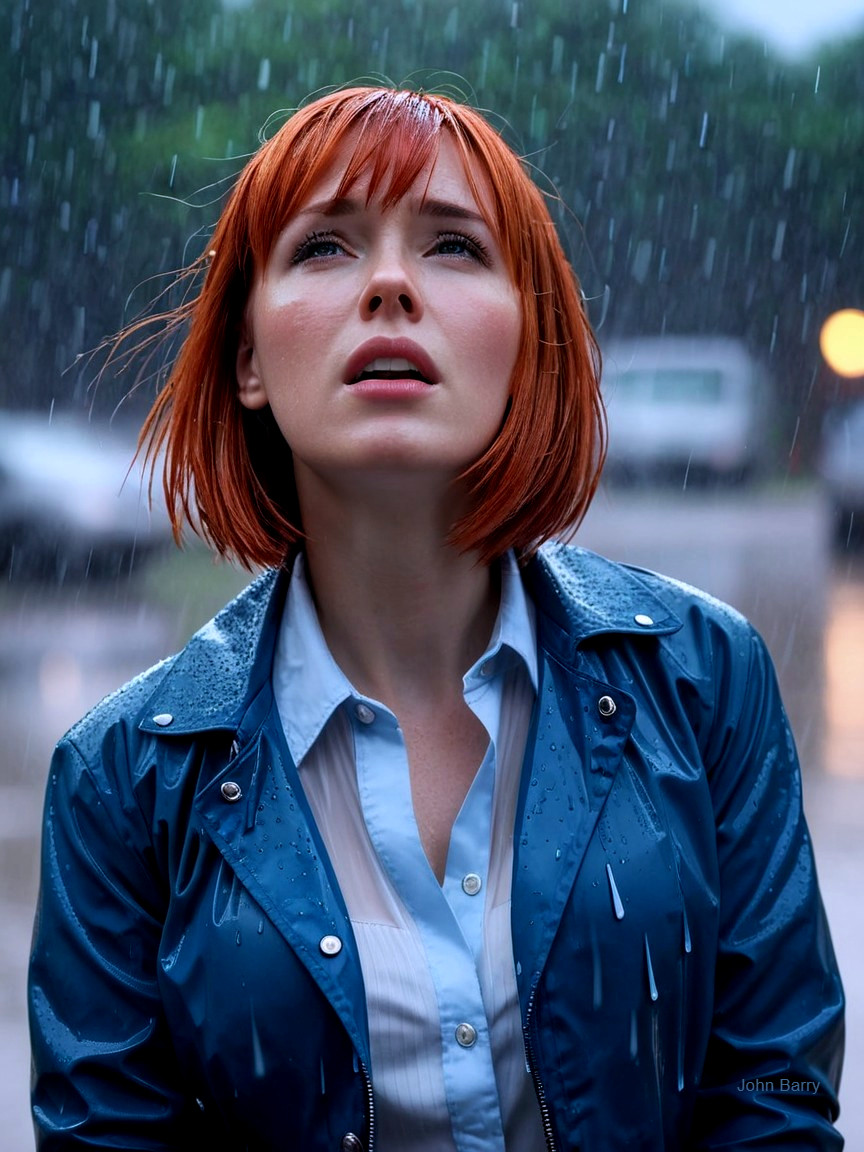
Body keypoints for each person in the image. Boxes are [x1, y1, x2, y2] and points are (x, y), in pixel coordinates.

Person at [29, 86, 844, 1151]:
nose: (390, 286)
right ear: (247, 360)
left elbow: (773, 1099)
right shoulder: (120, 778)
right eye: (325, 247)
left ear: (529, 343)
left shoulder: (705, 679)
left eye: (453, 247)